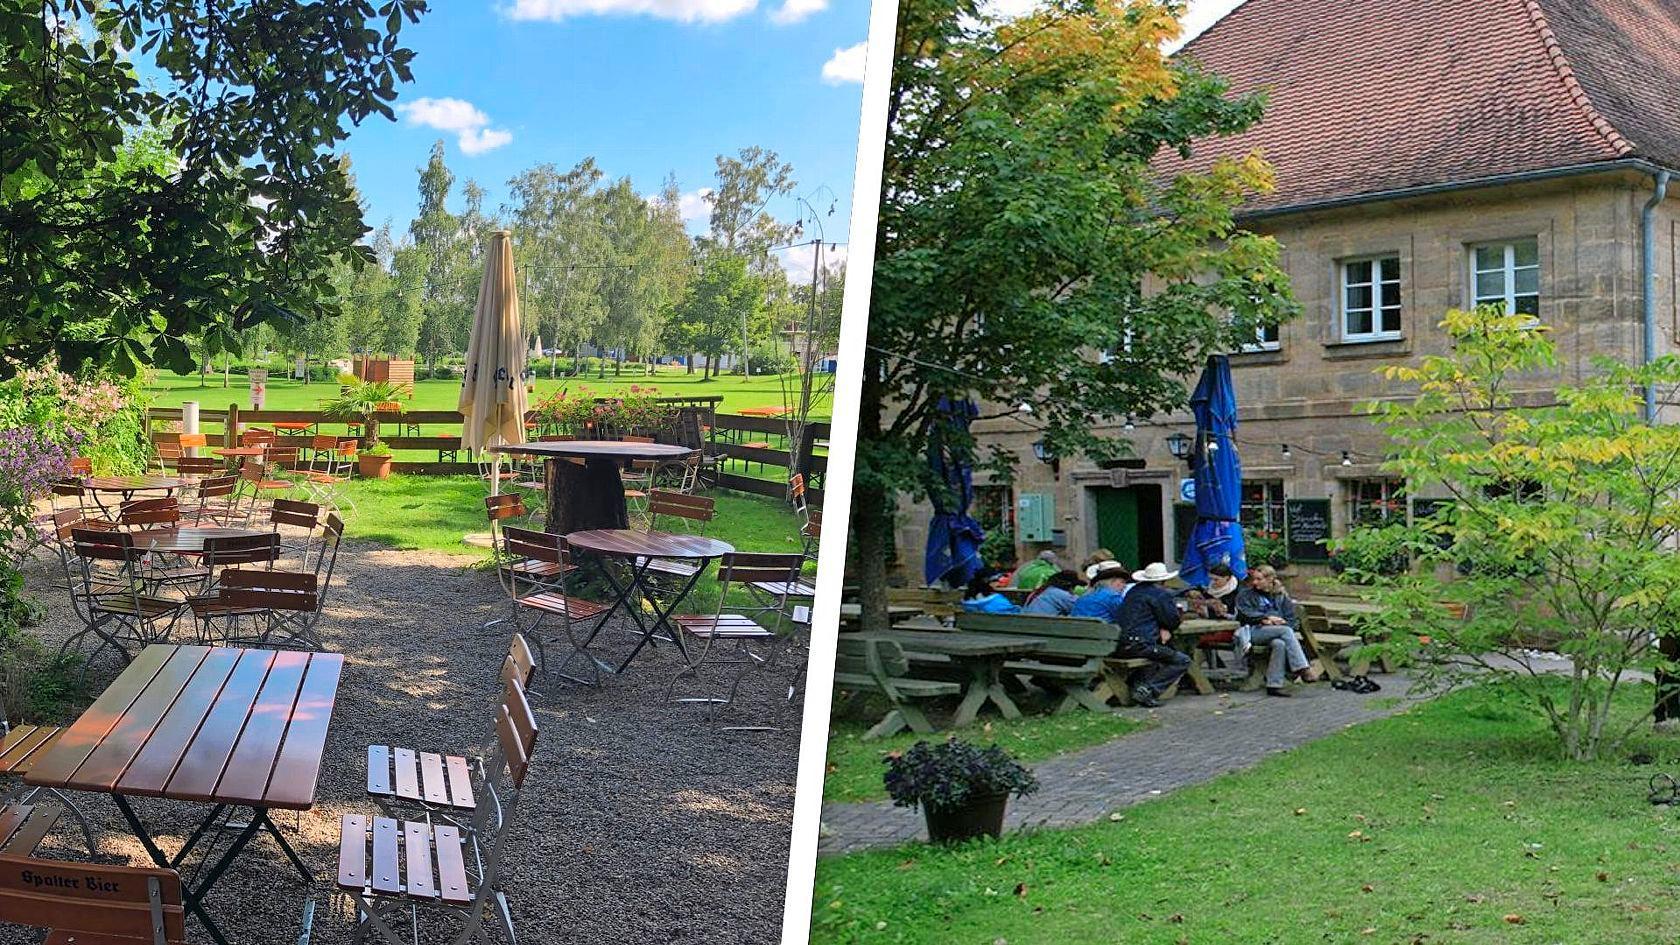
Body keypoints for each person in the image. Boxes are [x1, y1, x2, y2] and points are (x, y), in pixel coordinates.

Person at [1075, 560, 1189, 708]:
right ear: (1164, 580)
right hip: (1138, 645)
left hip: (1117, 645)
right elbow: (1172, 620)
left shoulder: (1133, 592)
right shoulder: (1160, 594)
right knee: (1182, 660)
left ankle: (1139, 687)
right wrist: (1165, 626)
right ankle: (1148, 690)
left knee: (1156, 657)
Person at [1235, 564, 1320, 696]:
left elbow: (1292, 619)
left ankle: (1274, 685)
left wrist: (1280, 622)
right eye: (1254, 579)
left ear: (1270, 579)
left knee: (1279, 643)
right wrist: (1265, 618)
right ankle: (1303, 668)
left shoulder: (1280, 596)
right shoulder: (1246, 594)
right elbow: (1244, 614)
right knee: (1285, 631)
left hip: (1277, 632)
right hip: (1253, 631)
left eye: (1259, 579)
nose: (1255, 582)